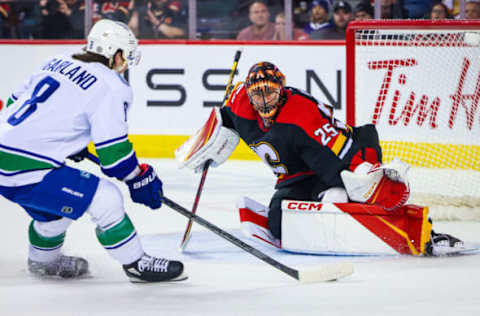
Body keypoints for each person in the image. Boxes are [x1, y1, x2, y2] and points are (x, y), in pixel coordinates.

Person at [177, 61, 465, 256]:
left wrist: (362, 176)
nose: (264, 102)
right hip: (292, 175)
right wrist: (209, 146)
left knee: (343, 196)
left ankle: (427, 233)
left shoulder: (303, 116)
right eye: (258, 95)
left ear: (283, 90)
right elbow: (223, 120)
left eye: (271, 93)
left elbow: (339, 153)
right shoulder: (239, 103)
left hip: (331, 159)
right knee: (278, 228)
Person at [0, 19, 186, 282]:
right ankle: (136, 264)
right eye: (125, 58)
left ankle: (43, 262)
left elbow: (14, 102)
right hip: (22, 166)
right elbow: (115, 158)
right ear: (116, 53)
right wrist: (140, 177)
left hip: (5, 152)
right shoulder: (112, 85)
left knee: (56, 212)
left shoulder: (58, 60)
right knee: (106, 199)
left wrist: (64, 142)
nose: (124, 66)